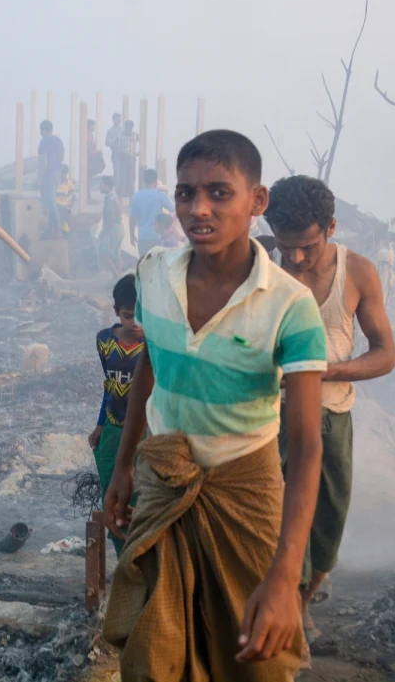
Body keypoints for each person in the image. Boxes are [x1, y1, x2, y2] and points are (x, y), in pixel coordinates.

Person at [103, 130, 328, 680]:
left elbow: (304, 444)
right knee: (153, 653)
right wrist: (124, 465)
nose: (197, 210)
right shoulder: (153, 273)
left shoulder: (290, 307)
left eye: (219, 193)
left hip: (245, 492)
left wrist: (284, 576)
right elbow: (148, 368)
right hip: (164, 480)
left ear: (257, 200)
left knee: (255, 659)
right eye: (184, 194)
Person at [264, 175, 395, 642]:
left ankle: (303, 595)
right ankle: (288, 611)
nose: (296, 259)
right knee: (279, 515)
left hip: (331, 415)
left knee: (327, 523)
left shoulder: (357, 273)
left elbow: (385, 354)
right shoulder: (259, 265)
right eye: (285, 247)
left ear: (332, 227)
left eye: (307, 247)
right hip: (266, 416)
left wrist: (322, 373)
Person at [89, 274, 145, 554]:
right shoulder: (104, 342)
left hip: (145, 430)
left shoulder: (153, 345)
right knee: (113, 495)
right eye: (127, 316)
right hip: (113, 428)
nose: (134, 324)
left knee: (143, 496)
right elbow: (110, 386)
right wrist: (100, 425)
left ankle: (141, 558)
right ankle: (124, 558)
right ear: (116, 312)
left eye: (140, 317)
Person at [126, 168, 174, 257]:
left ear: (144, 181)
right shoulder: (160, 195)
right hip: (157, 237)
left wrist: (132, 235)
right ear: (155, 181)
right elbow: (174, 209)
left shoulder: (136, 196)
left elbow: (132, 219)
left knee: (144, 266)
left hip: (143, 238)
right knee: (156, 265)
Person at [37, 120, 66, 239]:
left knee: (50, 202)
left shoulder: (43, 142)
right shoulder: (58, 140)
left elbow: (42, 162)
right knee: (50, 200)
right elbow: (62, 157)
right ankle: (51, 228)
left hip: (49, 174)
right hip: (58, 172)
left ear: (44, 130)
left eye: (40, 130)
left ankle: (57, 229)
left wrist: (40, 178)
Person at [98, 176, 125, 277]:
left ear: (106, 186)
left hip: (114, 229)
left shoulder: (110, 198)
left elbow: (112, 218)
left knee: (103, 253)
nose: (99, 187)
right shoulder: (112, 196)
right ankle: (118, 276)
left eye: (101, 184)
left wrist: (105, 231)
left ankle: (117, 275)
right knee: (115, 255)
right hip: (119, 228)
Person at [114, 120, 139, 199]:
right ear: (125, 127)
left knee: (131, 178)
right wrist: (118, 152)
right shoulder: (121, 135)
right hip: (123, 158)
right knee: (122, 178)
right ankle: (120, 198)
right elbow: (115, 144)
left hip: (131, 158)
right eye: (128, 126)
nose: (129, 128)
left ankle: (132, 198)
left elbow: (143, 141)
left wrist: (138, 153)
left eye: (130, 127)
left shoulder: (135, 135)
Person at [56, 165, 76, 235]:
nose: (62, 175)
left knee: (66, 228)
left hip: (65, 209)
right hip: (56, 208)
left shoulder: (69, 184)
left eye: (64, 173)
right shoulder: (55, 183)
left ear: (66, 174)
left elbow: (74, 197)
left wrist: (70, 206)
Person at [106, 112, 123, 183]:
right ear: (114, 120)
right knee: (117, 170)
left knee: (123, 171)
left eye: (120, 119)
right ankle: (117, 186)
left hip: (123, 153)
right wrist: (113, 144)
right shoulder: (110, 131)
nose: (119, 121)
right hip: (116, 153)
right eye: (117, 119)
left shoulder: (122, 130)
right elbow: (107, 143)